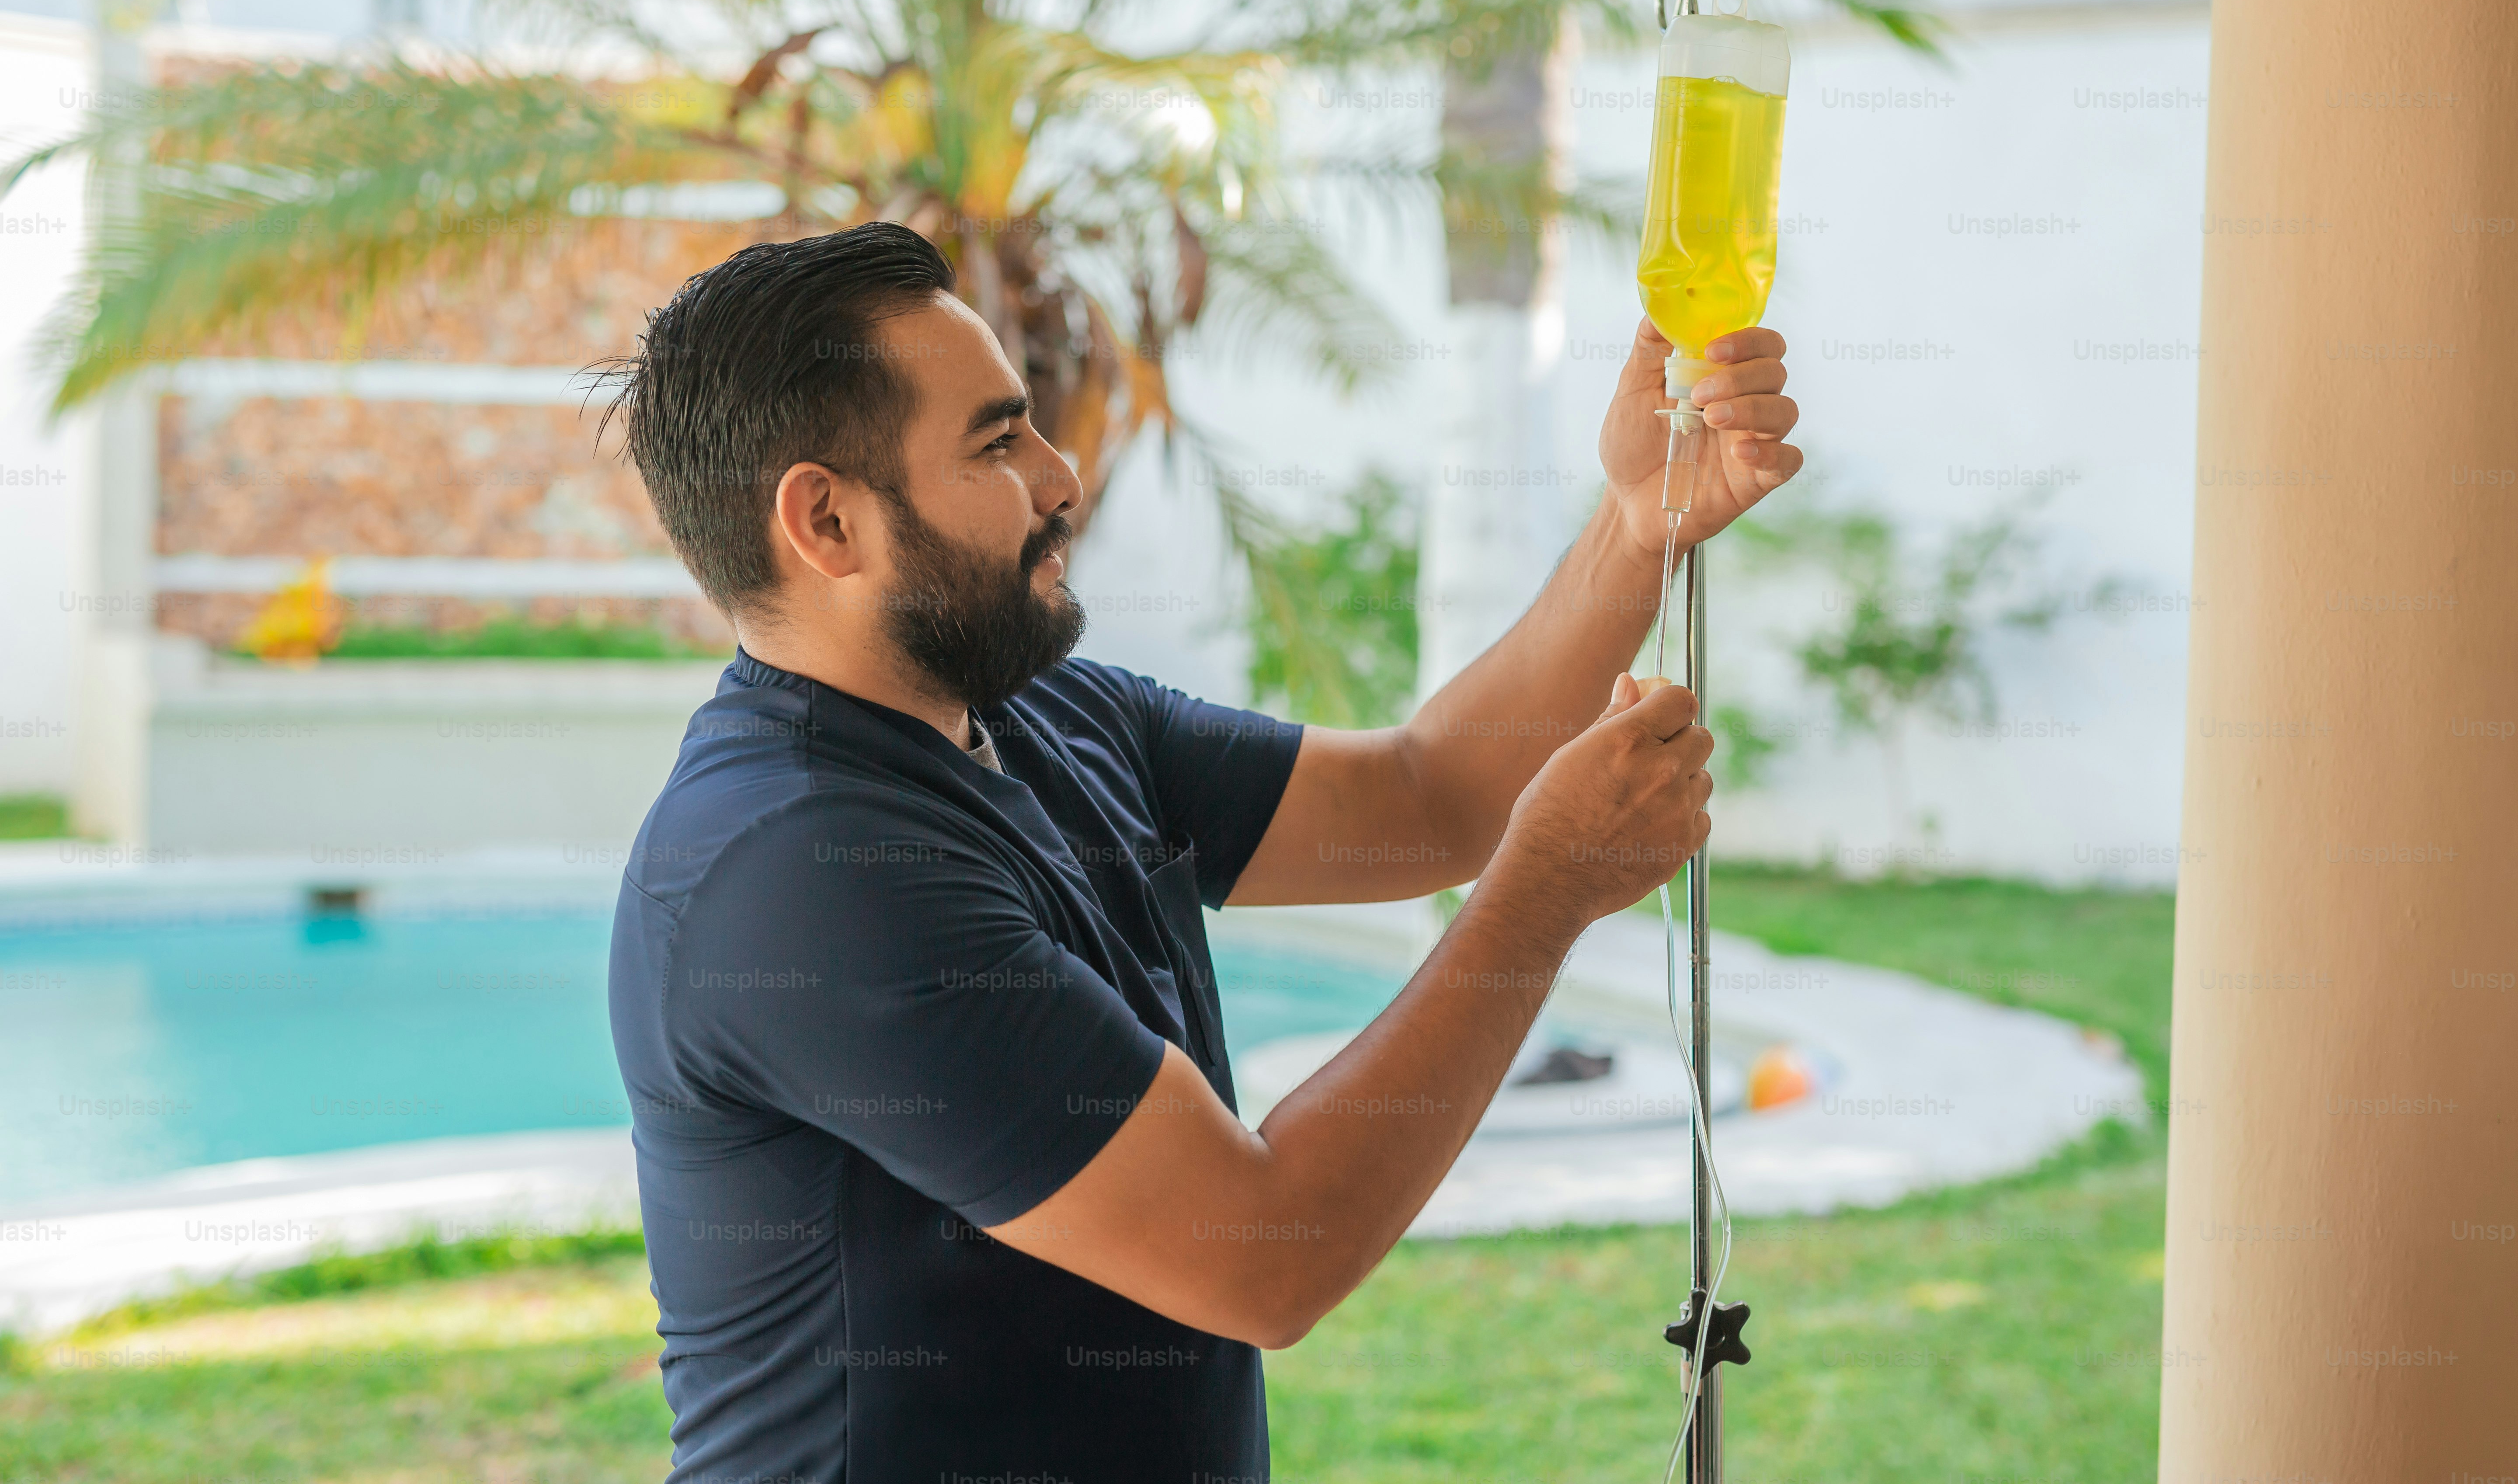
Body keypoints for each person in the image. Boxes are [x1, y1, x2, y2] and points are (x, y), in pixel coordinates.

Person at [605, 222, 1802, 1483]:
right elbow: (1265, 1251)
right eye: (999, 442)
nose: (1066, 479)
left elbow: (1430, 795)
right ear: (828, 522)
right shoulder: (802, 874)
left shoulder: (1046, 712)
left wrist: (1638, 522)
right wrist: (1546, 893)